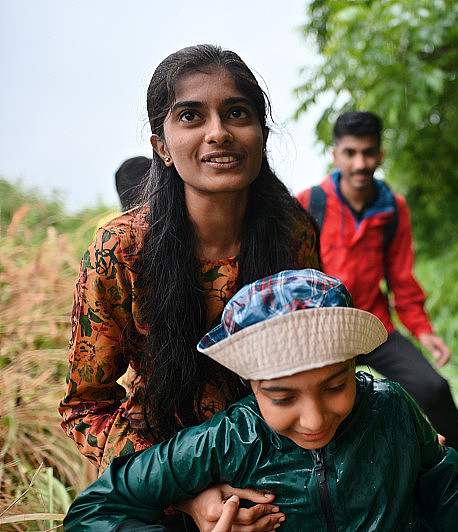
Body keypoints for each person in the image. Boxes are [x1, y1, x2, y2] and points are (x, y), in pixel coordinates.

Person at [59, 44, 320, 531]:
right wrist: (186, 494)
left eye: (236, 113)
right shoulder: (119, 250)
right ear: (161, 143)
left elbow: (317, 366)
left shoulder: (293, 233)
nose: (218, 133)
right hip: (160, 474)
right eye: (191, 116)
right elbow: (85, 407)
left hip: (278, 472)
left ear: (261, 133)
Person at [63, 269, 458, 531]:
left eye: (334, 387)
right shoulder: (229, 439)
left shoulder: (391, 407)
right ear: (251, 384)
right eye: (282, 397)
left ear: (355, 365)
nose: (313, 419)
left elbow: (451, 490)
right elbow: (93, 510)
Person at [296, 111, 458, 493]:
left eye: (368, 153)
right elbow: (296, 276)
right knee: (323, 415)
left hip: (376, 329)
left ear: (380, 155)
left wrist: (423, 330)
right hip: (323, 336)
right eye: (350, 153)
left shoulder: (393, 207)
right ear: (335, 155)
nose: (360, 163)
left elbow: (401, 278)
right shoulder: (308, 204)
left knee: (434, 389)